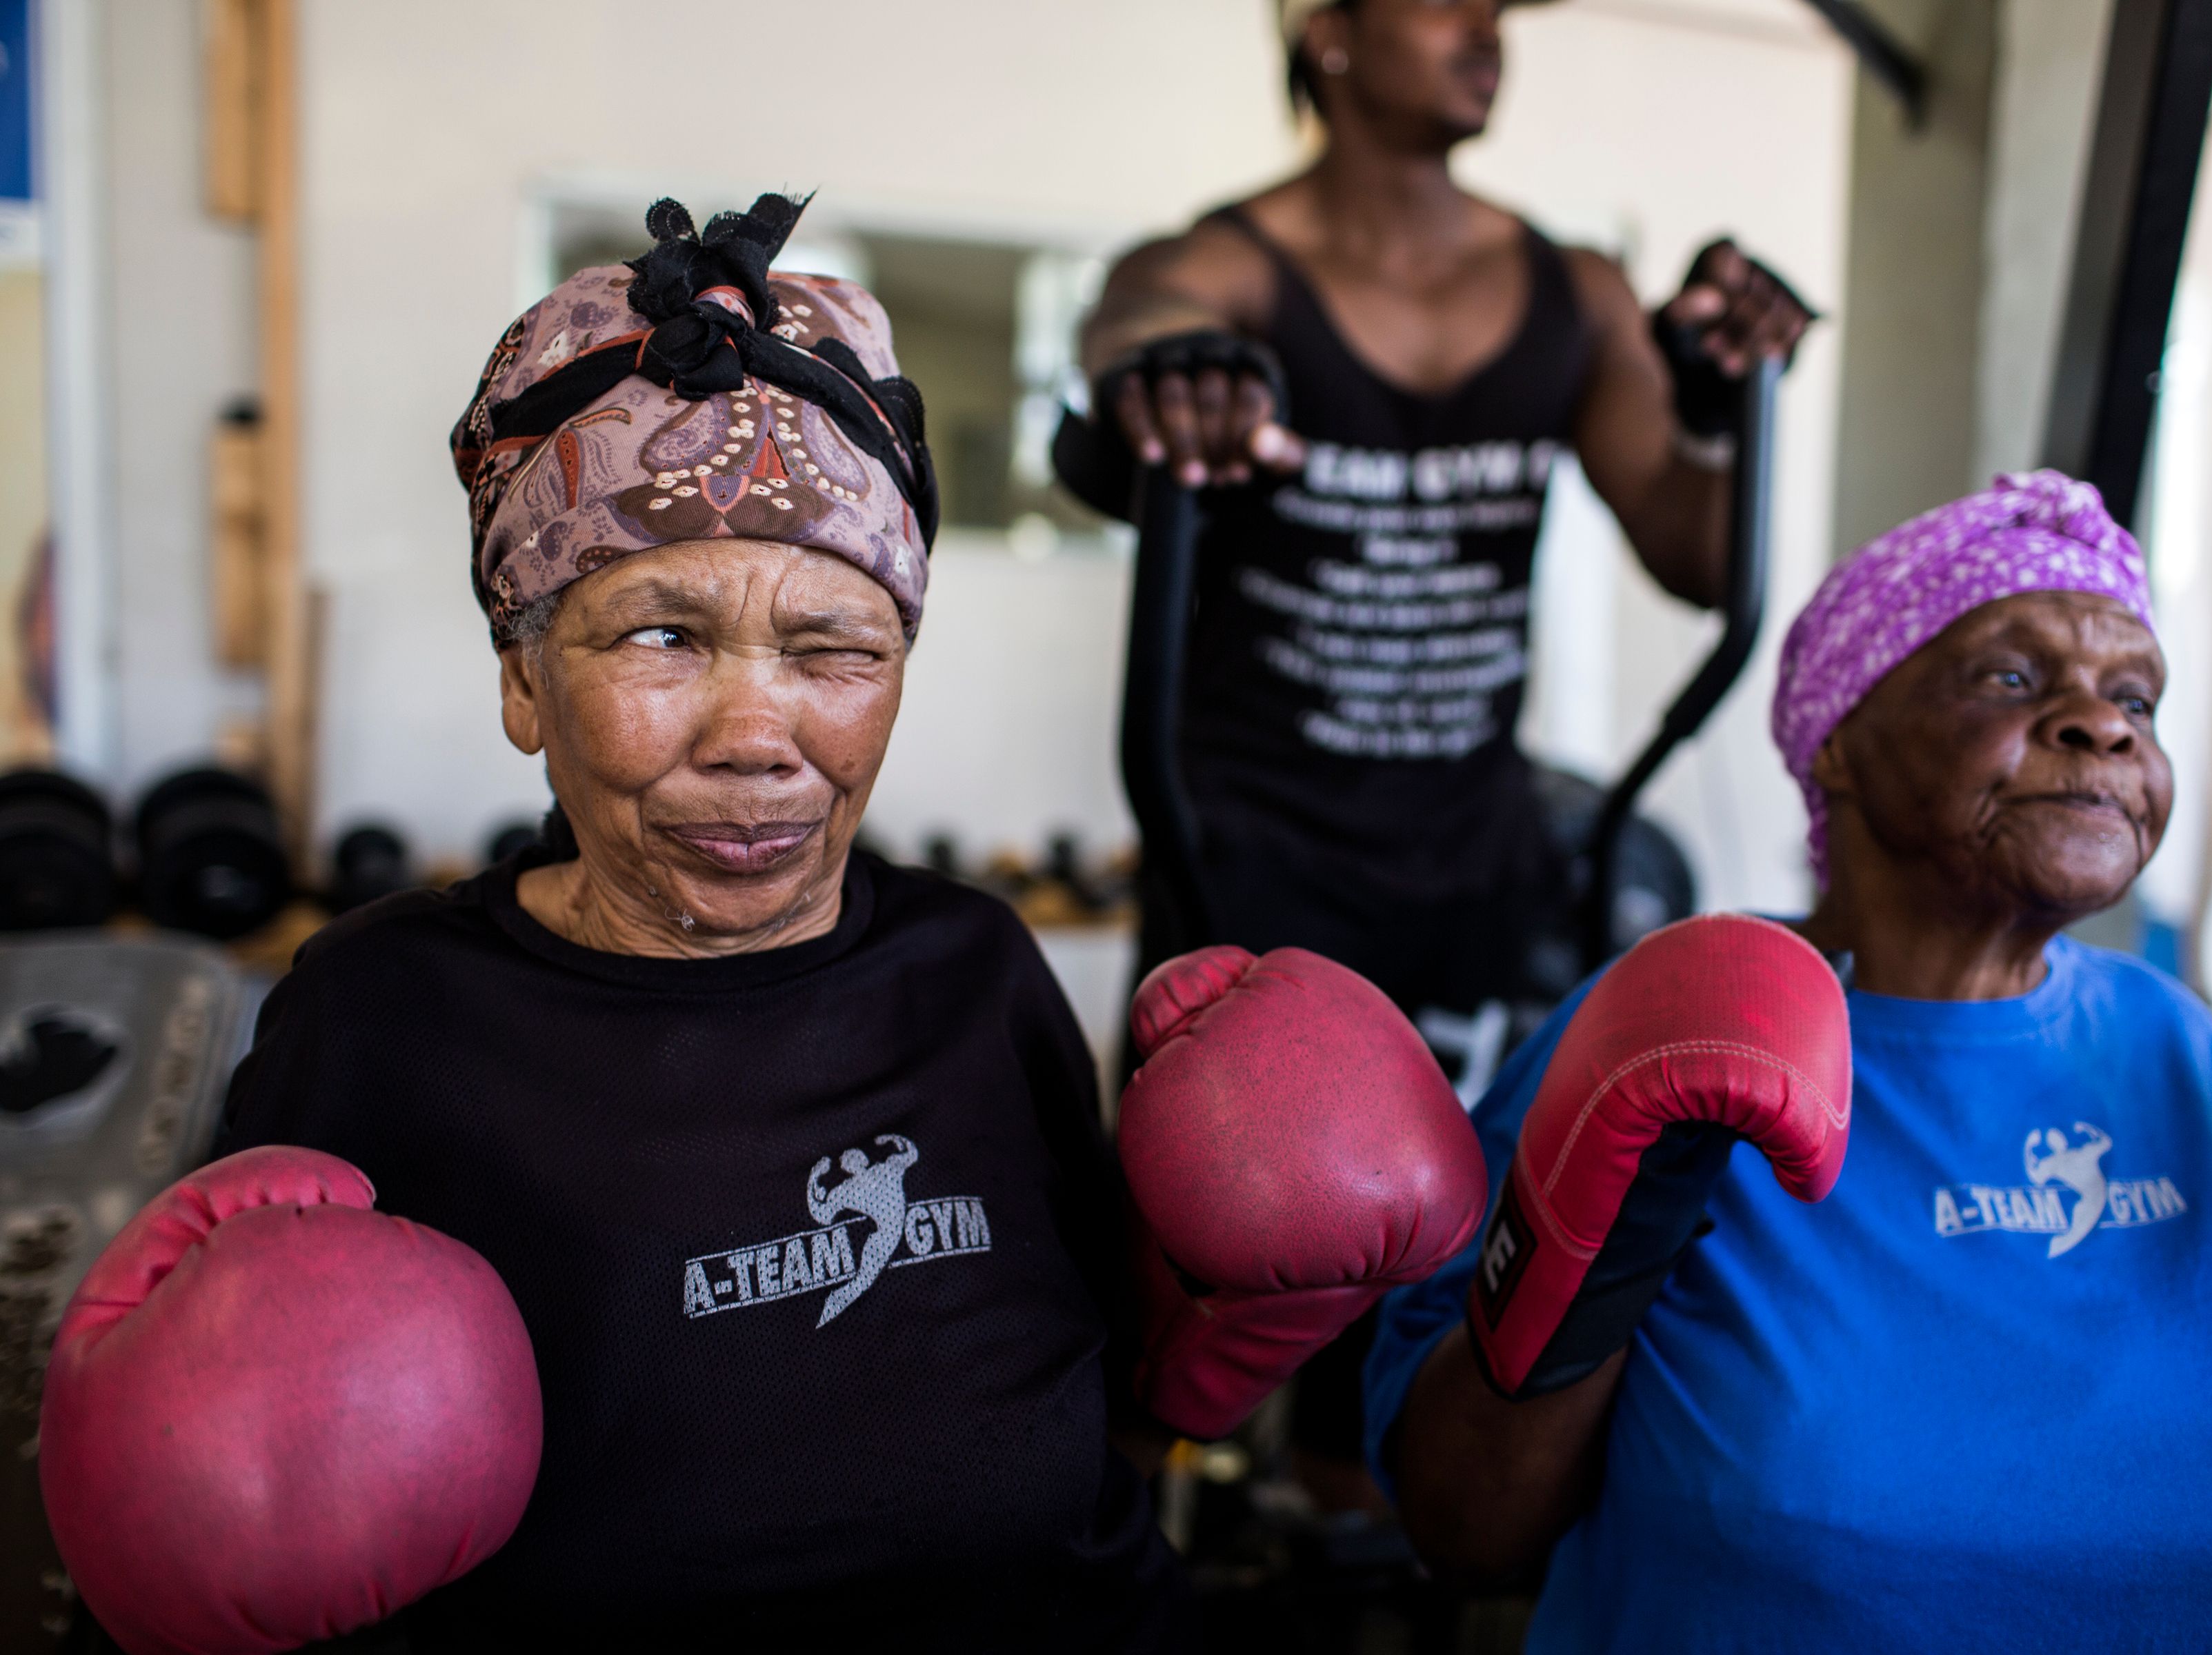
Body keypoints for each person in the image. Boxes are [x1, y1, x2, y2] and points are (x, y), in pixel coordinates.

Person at [41, 194, 1475, 1652]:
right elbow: (230, 1492)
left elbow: (1094, 1414)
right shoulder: (383, 1019)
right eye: (661, 635)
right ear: (527, 682)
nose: (758, 737)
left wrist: (1231, 1317)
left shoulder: (975, 969)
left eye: (832, 649)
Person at [1366, 472, 2212, 1651]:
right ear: (1840, 743)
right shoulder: (1673, 1026)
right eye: (2013, 678)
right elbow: (1462, 1528)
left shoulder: (2172, 1038)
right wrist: (1599, 1249)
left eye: (2136, 695)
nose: (2106, 724)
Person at [1077, 0, 1813, 1491]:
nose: (1486, 27)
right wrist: (1179, 374)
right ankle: (1153, 1522)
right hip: (1253, 868)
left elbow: (1688, 542)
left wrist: (1726, 407)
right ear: (1330, 33)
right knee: (1208, 1289)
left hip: (1472, 853)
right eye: (1446, 1)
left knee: (1436, 1268)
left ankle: (1374, 1529)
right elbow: (1139, 318)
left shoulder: (1573, 290)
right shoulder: (1234, 264)